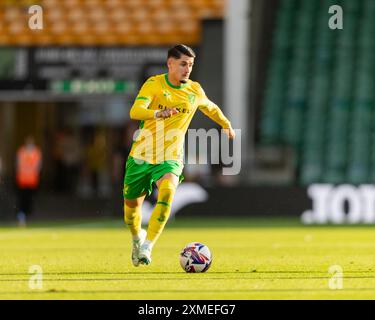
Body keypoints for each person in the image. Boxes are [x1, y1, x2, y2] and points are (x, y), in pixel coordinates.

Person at [123, 44, 235, 266]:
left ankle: (148, 247)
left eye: (191, 65)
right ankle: (137, 238)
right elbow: (135, 111)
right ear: (170, 63)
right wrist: (158, 112)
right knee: (131, 211)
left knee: (167, 194)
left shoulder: (194, 90)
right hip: (141, 156)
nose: (187, 69)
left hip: (171, 157)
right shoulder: (154, 84)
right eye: (183, 64)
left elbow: (210, 107)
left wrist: (226, 124)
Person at [15, 136, 42, 227]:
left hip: (32, 181)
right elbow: (18, 165)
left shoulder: (36, 152)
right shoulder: (21, 152)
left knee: (29, 200)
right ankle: (21, 217)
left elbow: (38, 166)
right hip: (22, 180)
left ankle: (27, 217)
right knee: (22, 200)